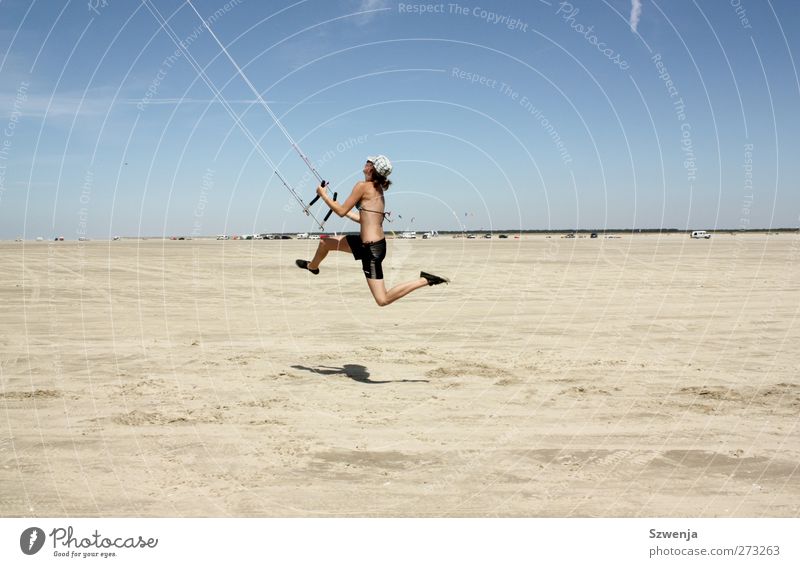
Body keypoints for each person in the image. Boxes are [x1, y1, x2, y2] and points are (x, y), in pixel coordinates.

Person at [295, 155, 449, 306]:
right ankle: (313, 267)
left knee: (382, 299)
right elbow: (363, 219)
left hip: (371, 250)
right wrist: (336, 205)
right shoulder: (378, 189)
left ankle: (426, 280)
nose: (366, 162)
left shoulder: (362, 186)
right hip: (367, 243)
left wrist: (323, 195)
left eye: (369, 162)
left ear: (371, 168)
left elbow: (341, 212)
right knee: (324, 242)